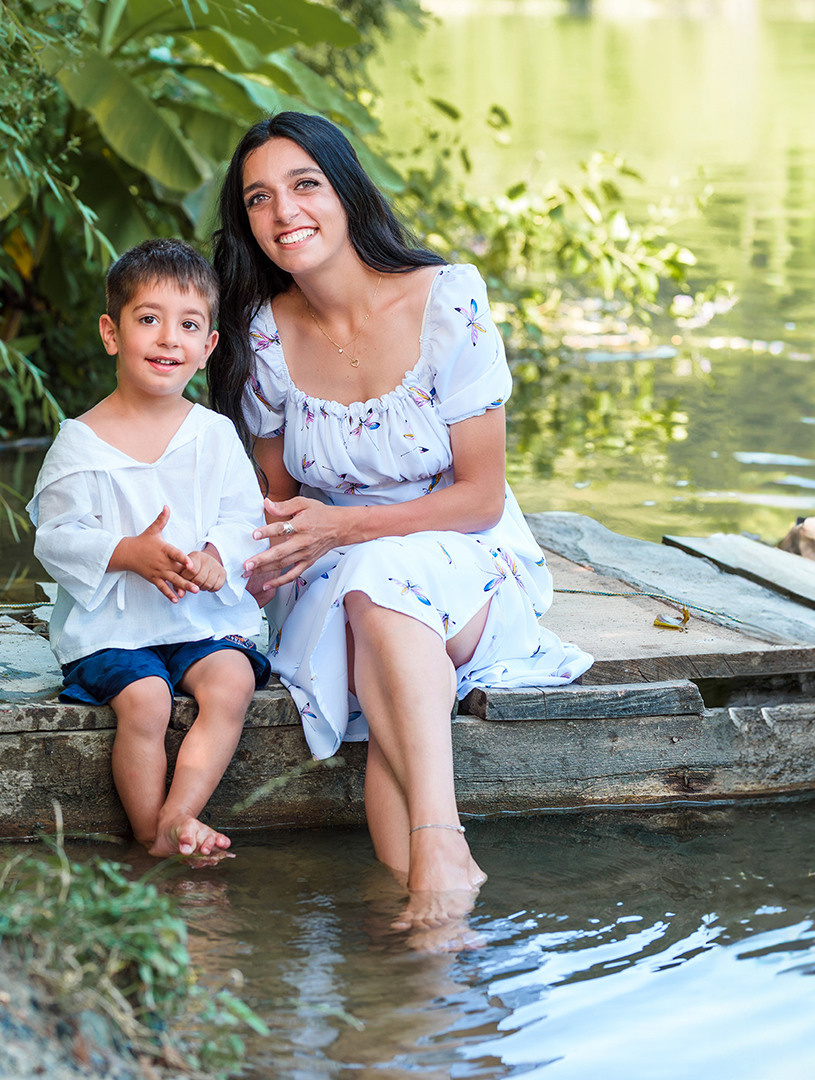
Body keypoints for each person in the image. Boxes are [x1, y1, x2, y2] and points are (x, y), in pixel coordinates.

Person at [208, 112, 593, 931]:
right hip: (331, 578)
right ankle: (433, 919)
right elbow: (280, 507)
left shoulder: (447, 301)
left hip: (464, 558)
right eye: (259, 199)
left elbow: (480, 497)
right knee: (376, 619)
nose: (284, 213)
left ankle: (435, 872)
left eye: (305, 185)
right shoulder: (264, 337)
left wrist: (343, 532)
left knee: (380, 582)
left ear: (346, 192)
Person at [28, 238, 271, 862]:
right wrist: (125, 552)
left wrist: (217, 554)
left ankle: (179, 816)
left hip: (200, 618)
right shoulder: (81, 443)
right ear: (112, 333)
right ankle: (151, 835)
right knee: (148, 698)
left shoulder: (214, 436)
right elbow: (55, 537)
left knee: (232, 681)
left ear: (208, 346)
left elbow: (243, 515)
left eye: (189, 325)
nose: (169, 339)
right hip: (114, 626)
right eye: (149, 319)